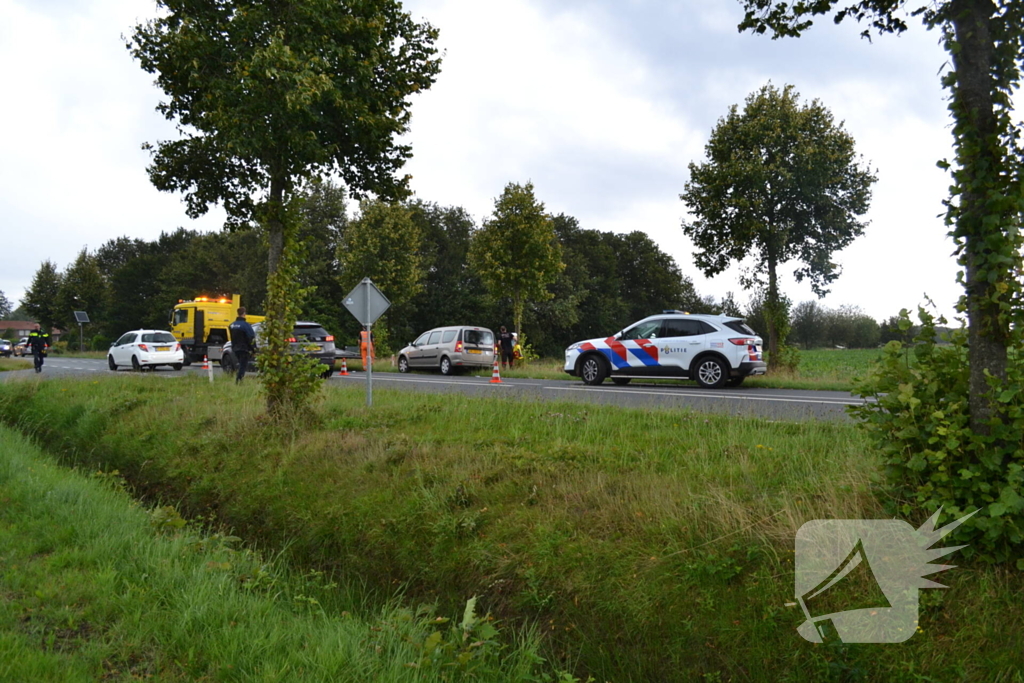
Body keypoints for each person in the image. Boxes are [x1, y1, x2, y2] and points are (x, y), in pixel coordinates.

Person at [228, 307, 256, 383]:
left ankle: (239, 380)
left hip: (235, 348)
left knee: (240, 364)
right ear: (244, 314)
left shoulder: (232, 325)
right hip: (244, 349)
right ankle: (239, 381)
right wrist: (254, 349)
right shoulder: (246, 325)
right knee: (243, 366)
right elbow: (251, 337)